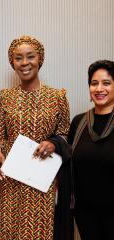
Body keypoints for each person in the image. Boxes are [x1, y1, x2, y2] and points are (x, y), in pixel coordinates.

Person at [0, 35, 72, 240]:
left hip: (41, 180)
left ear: (40, 59)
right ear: (12, 62)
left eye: (30, 56)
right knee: (5, 232)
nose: (25, 63)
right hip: (8, 179)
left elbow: (65, 134)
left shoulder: (57, 97)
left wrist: (53, 143)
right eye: (18, 58)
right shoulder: (4, 96)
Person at [68, 60, 114, 240]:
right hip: (85, 213)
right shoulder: (79, 122)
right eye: (94, 83)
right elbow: (67, 160)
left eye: (106, 83)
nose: (99, 88)